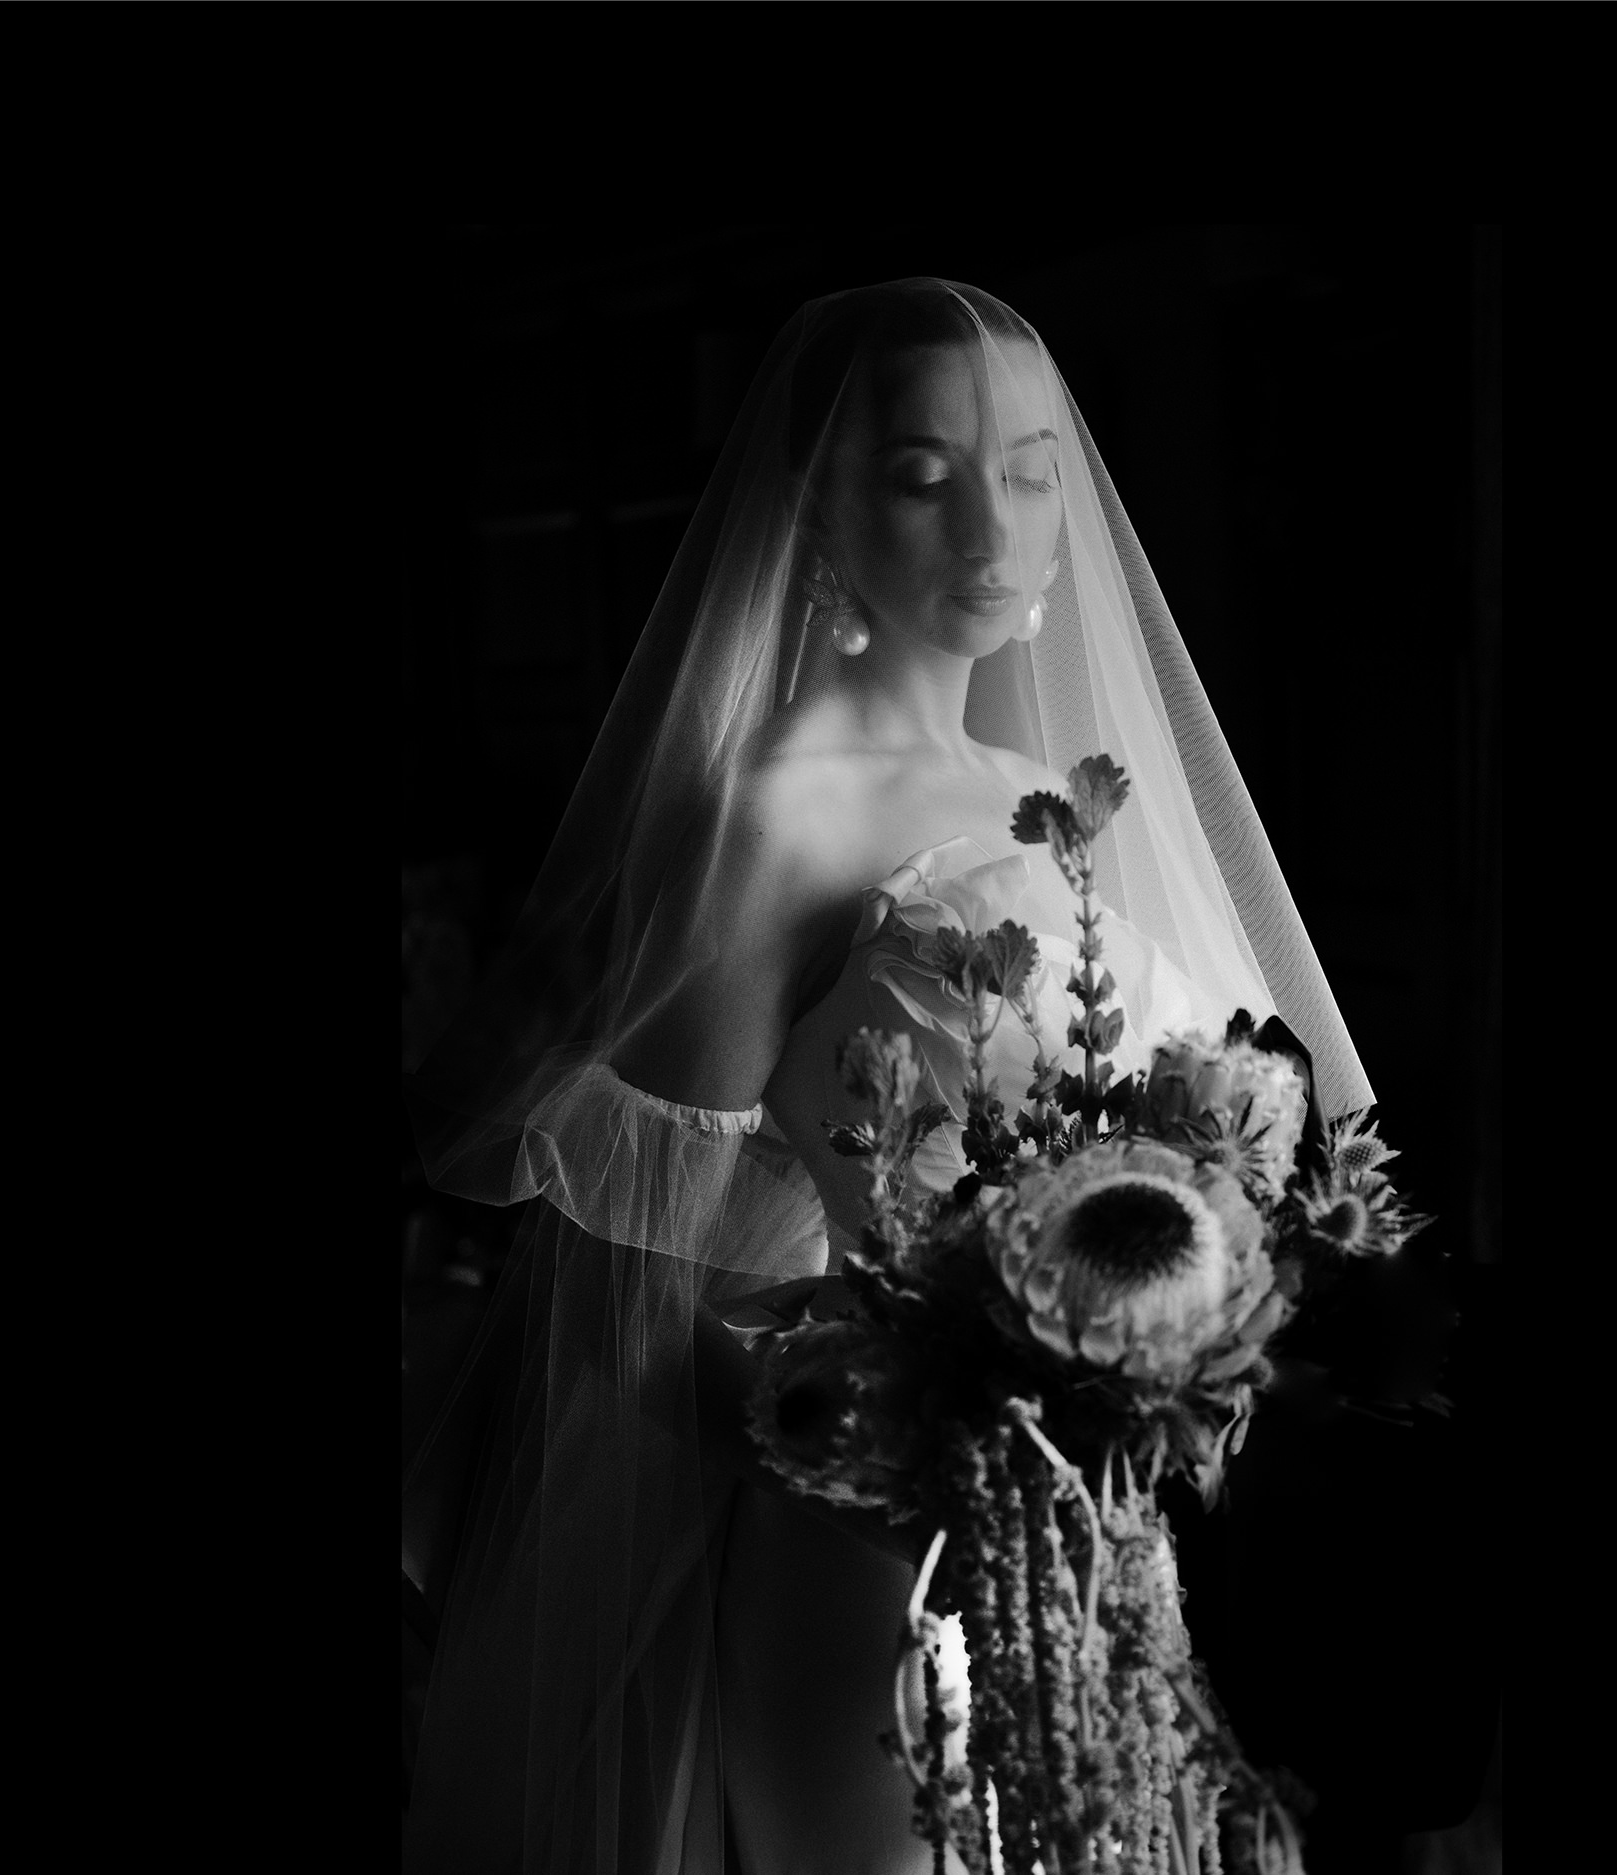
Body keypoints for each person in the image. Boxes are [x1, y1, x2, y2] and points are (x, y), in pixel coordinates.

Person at [403, 280, 1372, 1875]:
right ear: (821, 510)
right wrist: (931, 1431)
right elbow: (652, 1272)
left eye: (1034, 468)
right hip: (859, 1534)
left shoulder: (1051, 796)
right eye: (924, 474)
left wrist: (1132, 1390)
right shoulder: (773, 810)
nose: (992, 523)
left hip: (1078, 1524)